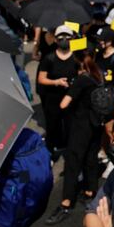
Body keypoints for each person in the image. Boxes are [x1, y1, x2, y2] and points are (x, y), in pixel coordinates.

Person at [45, 52, 104, 225]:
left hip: (80, 127)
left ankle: (66, 203)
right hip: (96, 125)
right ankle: (89, 192)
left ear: (78, 66)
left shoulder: (81, 80)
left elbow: (64, 104)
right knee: (90, 159)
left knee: (72, 164)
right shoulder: (98, 77)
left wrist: (70, 90)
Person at [36, 25, 78, 160]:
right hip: (52, 99)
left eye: (67, 36)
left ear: (72, 39)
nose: (64, 39)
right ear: (55, 40)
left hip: (71, 100)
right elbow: (41, 79)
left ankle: (71, 154)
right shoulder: (49, 58)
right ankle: (50, 154)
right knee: (52, 127)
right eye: (61, 37)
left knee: (71, 128)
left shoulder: (77, 58)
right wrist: (56, 82)